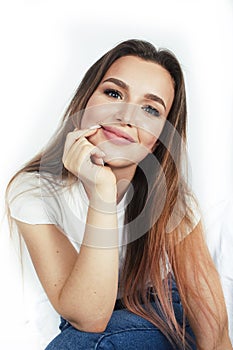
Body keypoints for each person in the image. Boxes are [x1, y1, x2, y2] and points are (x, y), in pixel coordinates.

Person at [6, 39, 232, 349]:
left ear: (160, 139)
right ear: (85, 101)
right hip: (87, 311)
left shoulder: (170, 200)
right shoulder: (33, 191)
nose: (126, 117)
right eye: (113, 93)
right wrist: (102, 192)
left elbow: (213, 328)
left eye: (150, 109)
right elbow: (89, 317)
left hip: (165, 308)